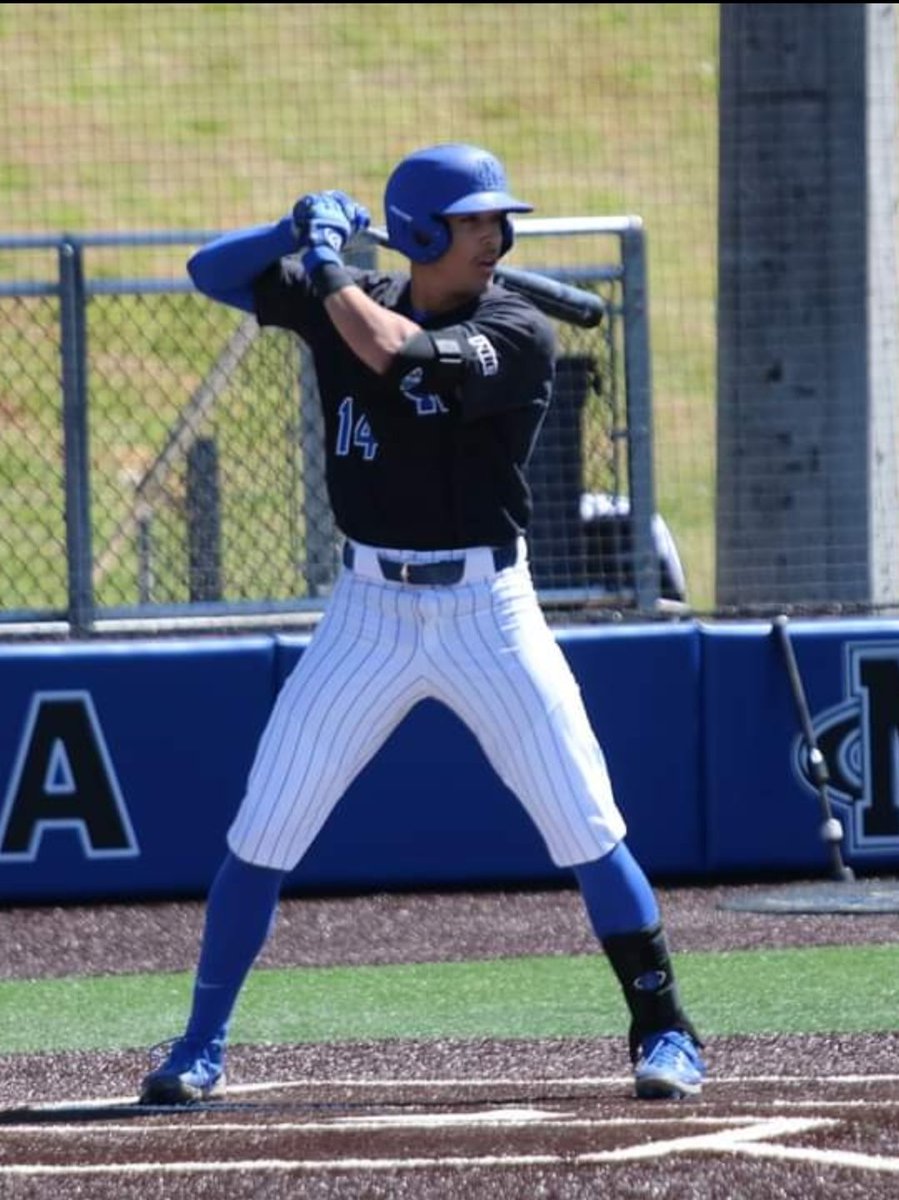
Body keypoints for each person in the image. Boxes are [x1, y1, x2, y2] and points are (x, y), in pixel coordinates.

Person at [139, 143, 706, 1105]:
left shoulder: (516, 329)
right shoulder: (339, 296)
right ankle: (201, 1043)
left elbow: (390, 348)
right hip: (367, 611)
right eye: (476, 221)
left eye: (498, 221)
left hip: (489, 609)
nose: (497, 236)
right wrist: (292, 233)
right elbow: (207, 273)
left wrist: (323, 267)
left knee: (585, 820)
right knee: (263, 825)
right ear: (423, 233)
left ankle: (665, 1031)